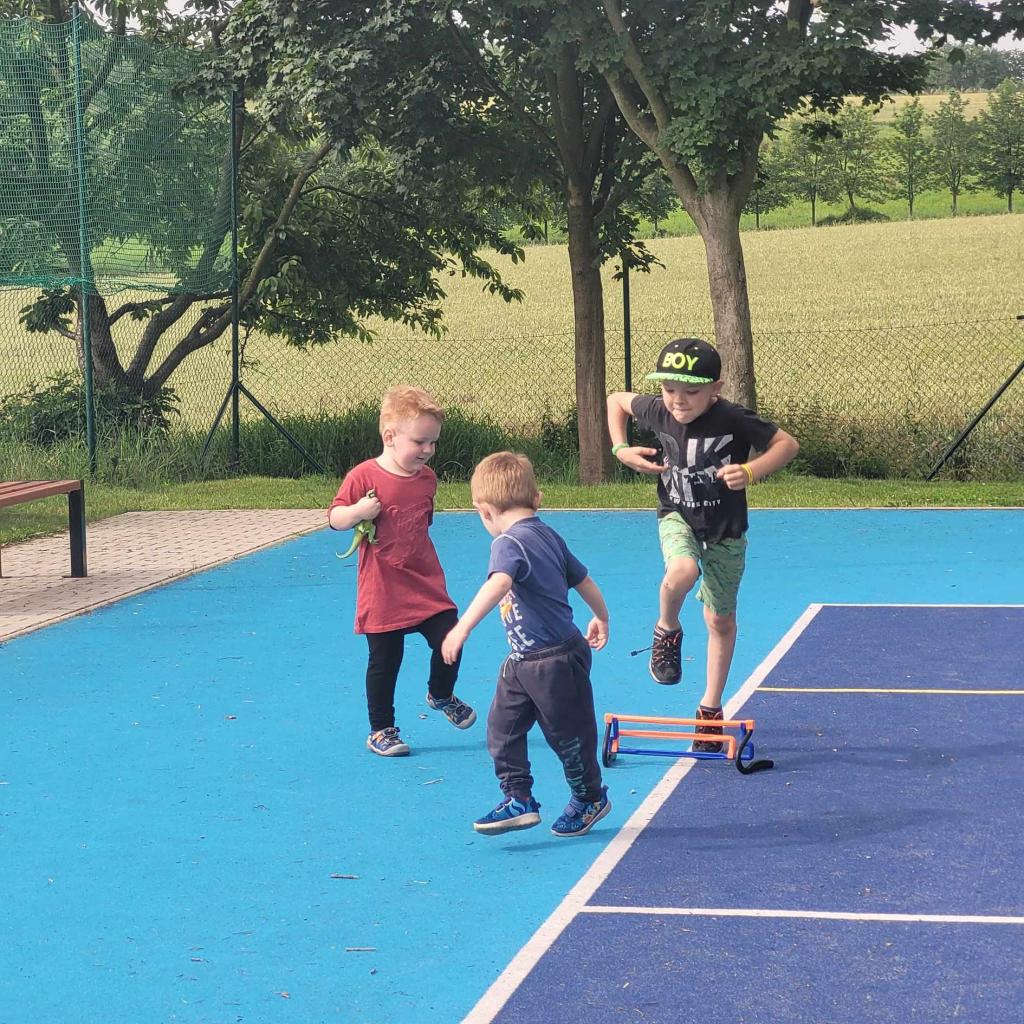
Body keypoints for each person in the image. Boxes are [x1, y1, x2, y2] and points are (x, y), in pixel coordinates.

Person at [606, 337, 799, 751]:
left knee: (719, 621)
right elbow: (616, 401)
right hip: (677, 515)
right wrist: (620, 449)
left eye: (691, 392)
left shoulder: (732, 417)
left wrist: (752, 470)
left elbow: (787, 444)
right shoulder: (659, 409)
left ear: (716, 388)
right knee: (682, 570)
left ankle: (710, 710)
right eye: (669, 389)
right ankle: (667, 628)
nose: (678, 400)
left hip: (726, 530)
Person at [441, 452, 612, 838]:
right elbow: (584, 580)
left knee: (568, 736)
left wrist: (462, 627)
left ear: (484, 511)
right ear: (537, 498)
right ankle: (518, 797)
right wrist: (602, 616)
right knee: (501, 728)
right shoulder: (548, 533)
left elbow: (499, 582)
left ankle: (590, 797)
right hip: (523, 661)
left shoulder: (508, 542)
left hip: (553, 661)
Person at [329, 385, 476, 757]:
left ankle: (440, 694)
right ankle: (381, 729)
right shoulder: (364, 477)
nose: (427, 450)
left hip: (424, 582)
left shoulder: (427, 479)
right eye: (420, 442)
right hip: (383, 589)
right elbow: (335, 518)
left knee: (452, 636)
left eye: (433, 443)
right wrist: (359, 512)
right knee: (385, 660)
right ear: (389, 437)